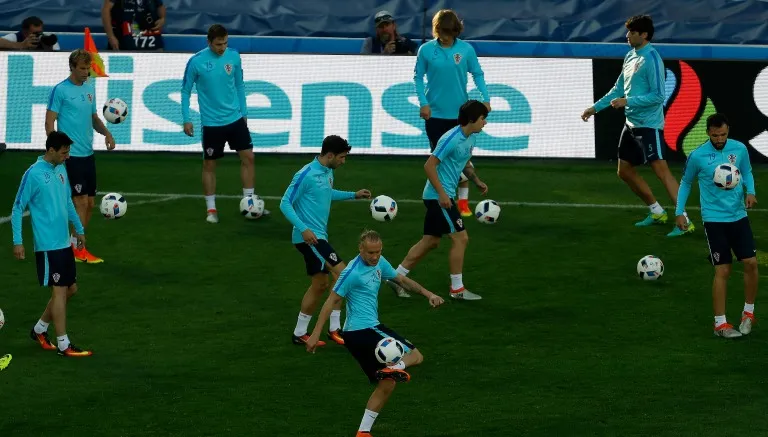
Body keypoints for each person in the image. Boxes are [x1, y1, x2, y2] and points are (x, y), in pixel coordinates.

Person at [306, 230, 444, 437]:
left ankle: (363, 431)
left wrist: (428, 294)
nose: (374, 256)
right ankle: (394, 367)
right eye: (370, 252)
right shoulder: (351, 272)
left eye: (378, 252)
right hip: (364, 330)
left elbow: (401, 280)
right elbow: (331, 301)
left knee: (387, 384)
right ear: (360, 249)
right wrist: (315, 334)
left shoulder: (380, 262)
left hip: (358, 334)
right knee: (415, 356)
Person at [581, 15, 693, 237]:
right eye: (628, 32)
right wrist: (594, 108)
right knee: (624, 171)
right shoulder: (631, 56)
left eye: (632, 32)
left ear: (644, 35)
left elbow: (658, 96)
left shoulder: (652, 58)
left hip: (649, 125)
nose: (627, 36)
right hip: (631, 124)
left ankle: (685, 221)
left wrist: (628, 101)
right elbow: (617, 89)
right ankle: (657, 211)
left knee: (662, 171)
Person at [388, 100, 488, 301]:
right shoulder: (451, 138)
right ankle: (457, 289)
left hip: (442, 195)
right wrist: (442, 194)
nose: (484, 123)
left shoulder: (470, 138)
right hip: (438, 197)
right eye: (482, 119)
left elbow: (463, 162)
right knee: (461, 238)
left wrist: (476, 180)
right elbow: (429, 165)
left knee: (430, 241)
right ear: (471, 120)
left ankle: (395, 277)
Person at [280, 135, 372, 346]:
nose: (343, 161)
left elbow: (326, 194)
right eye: (341, 157)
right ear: (330, 155)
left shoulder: (327, 172)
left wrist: (353, 195)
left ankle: (300, 333)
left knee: (320, 285)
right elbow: (285, 203)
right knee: (344, 273)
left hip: (319, 236)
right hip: (310, 239)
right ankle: (335, 328)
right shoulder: (306, 174)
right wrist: (303, 229)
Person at [674, 113, 758, 338]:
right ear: (708, 133)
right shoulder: (698, 156)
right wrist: (679, 212)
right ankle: (720, 324)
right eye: (715, 135)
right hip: (714, 220)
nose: (719, 139)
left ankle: (748, 314)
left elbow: (747, 171)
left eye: (722, 134)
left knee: (750, 263)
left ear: (728, 130)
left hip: (738, 216)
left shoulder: (739, 149)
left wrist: (751, 191)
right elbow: (685, 183)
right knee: (723, 269)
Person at [11, 131, 93, 357]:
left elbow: (67, 201)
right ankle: (64, 345)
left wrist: (79, 229)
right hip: (47, 246)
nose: (68, 156)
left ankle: (39, 330)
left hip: (64, 242)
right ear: (51, 150)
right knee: (59, 292)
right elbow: (18, 207)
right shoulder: (34, 174)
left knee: (71, 289)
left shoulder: (61, 170)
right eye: (64, 152)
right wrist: (18, 241)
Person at [182, 24, 268, 223]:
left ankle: (249, 202)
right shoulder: (196, 62)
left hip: (235, 118)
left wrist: (244, 112)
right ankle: (211, 210)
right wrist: (187, 118)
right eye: (218, 44)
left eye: (225, 43)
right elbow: (186, 90)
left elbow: (239, 84)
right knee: (210, 164)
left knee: (249, 157)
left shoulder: (234, 56)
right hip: (212, 123)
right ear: (209, 42)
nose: (222, 48)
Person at [414, 9, 491, 218]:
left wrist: (486, 98)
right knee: (441, 162)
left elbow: (478, 74)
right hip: (436, 116)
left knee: (462, 158)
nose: (445, 36)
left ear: (456, 30)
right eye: (442, 31)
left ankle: (462, 203)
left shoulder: (466, 50)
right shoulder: (426, 50)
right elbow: (418, 78)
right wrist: (423, 103)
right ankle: (438, 200)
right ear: (437, 30)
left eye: (449, 32)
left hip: (461, 116)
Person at [45, 49, 116, 264]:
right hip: (71, 156)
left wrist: (107, 133)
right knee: (80, 202)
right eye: (83, 69)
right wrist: (57, 150)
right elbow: (50, 122)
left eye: (88, 68)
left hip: (88, 154)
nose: (86, 72)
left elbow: (93, 117)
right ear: (72, 68)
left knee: (91, 203)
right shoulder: (61, 91)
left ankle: (73, 244)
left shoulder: (90, 89)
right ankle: (78, 249)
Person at [102, 0, 166, 51]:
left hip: (151, 40)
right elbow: (106, 10)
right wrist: (111, 36)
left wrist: (162, 19)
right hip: (125, 40)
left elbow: (160, 6)